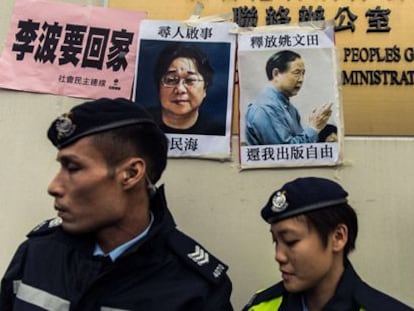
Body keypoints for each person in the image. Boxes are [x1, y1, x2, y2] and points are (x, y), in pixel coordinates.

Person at [0, 98, 233, 310]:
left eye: (73, 168)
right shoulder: (37, 254)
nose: (54, 186)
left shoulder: (195, 287)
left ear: (131, 174)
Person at [243, 177, 413, 311]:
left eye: (290, 241)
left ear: (338, 237)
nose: (278, 255)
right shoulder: (260, 307)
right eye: (276, 241)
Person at [245, 50, 333, 145]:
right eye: (297, 73)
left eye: (303, 73)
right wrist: (314, 127)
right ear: (276, 74)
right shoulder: (264, 108)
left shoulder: (290, 109)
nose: (301, 79)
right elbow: (284, 152)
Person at [149, 43, 224, 135]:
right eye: (171, 80)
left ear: (205, 88)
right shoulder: (140, 124)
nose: (180, 89)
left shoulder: (217, 131)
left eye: (190, 80)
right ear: (159, 86)